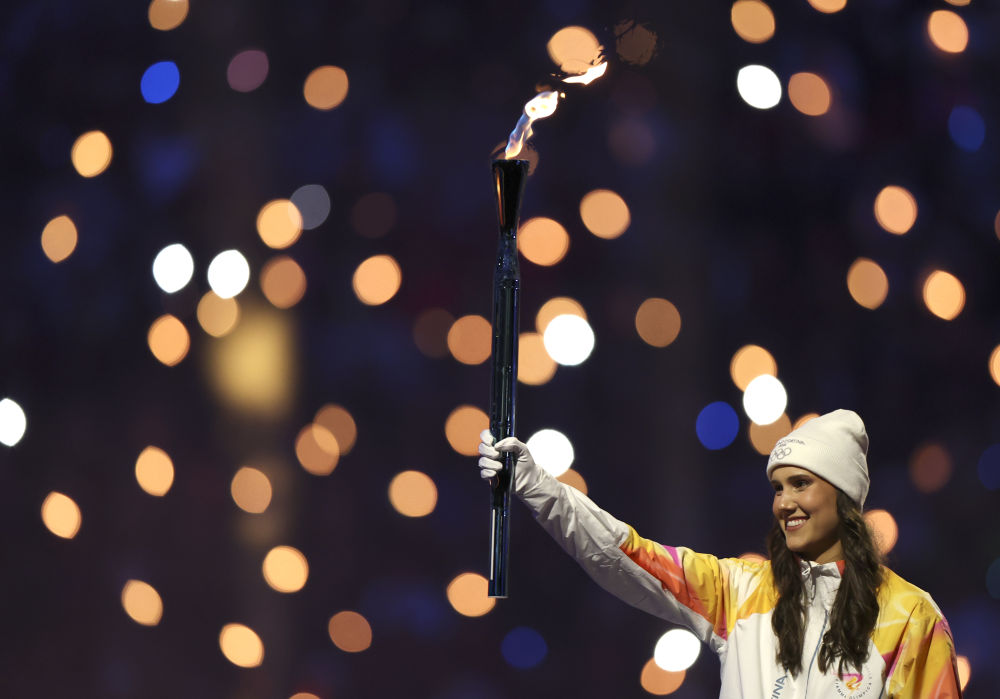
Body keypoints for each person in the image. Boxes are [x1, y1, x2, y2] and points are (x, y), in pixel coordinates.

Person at [477, 409, 961, 698]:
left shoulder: (910, 617)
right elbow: (624, 553)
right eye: (777, 488)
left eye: (800, 484)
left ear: (844, 496)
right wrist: (536, 485)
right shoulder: (741, 591)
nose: (784, 503)